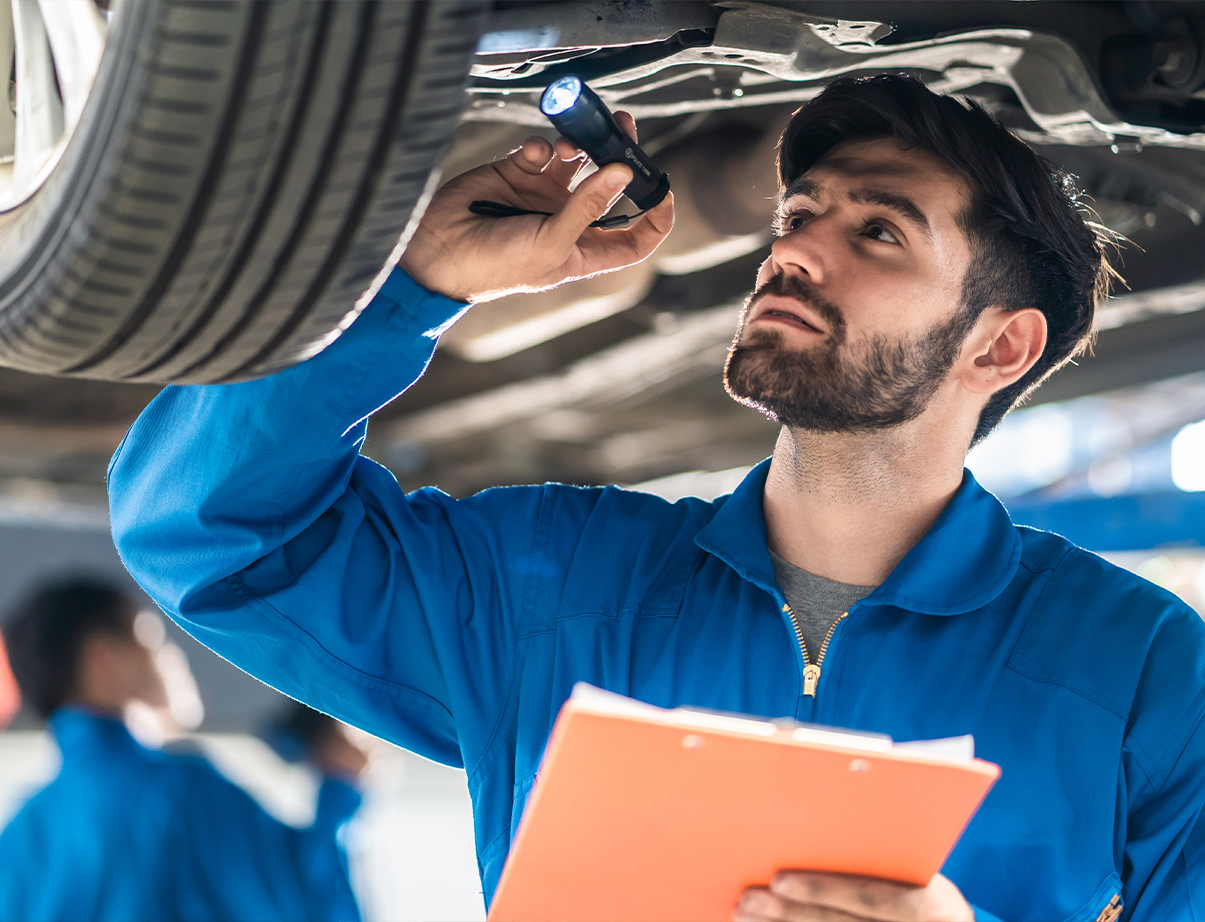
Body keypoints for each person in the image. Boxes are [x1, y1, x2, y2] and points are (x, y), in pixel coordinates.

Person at [108, 74, 1205, 921]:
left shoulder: (1144, 669)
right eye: (795, 216)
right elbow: (213, 536)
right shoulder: (551, 581)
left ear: (999, 345)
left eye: (874, 231)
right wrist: (410, 284)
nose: (794, 252)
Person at [0, 577, 367, 922]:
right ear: (102, 657)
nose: (173, 656)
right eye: (152, 636)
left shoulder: (6, 850)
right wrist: (339, 791)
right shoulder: (181, 793)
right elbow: (306, 906)